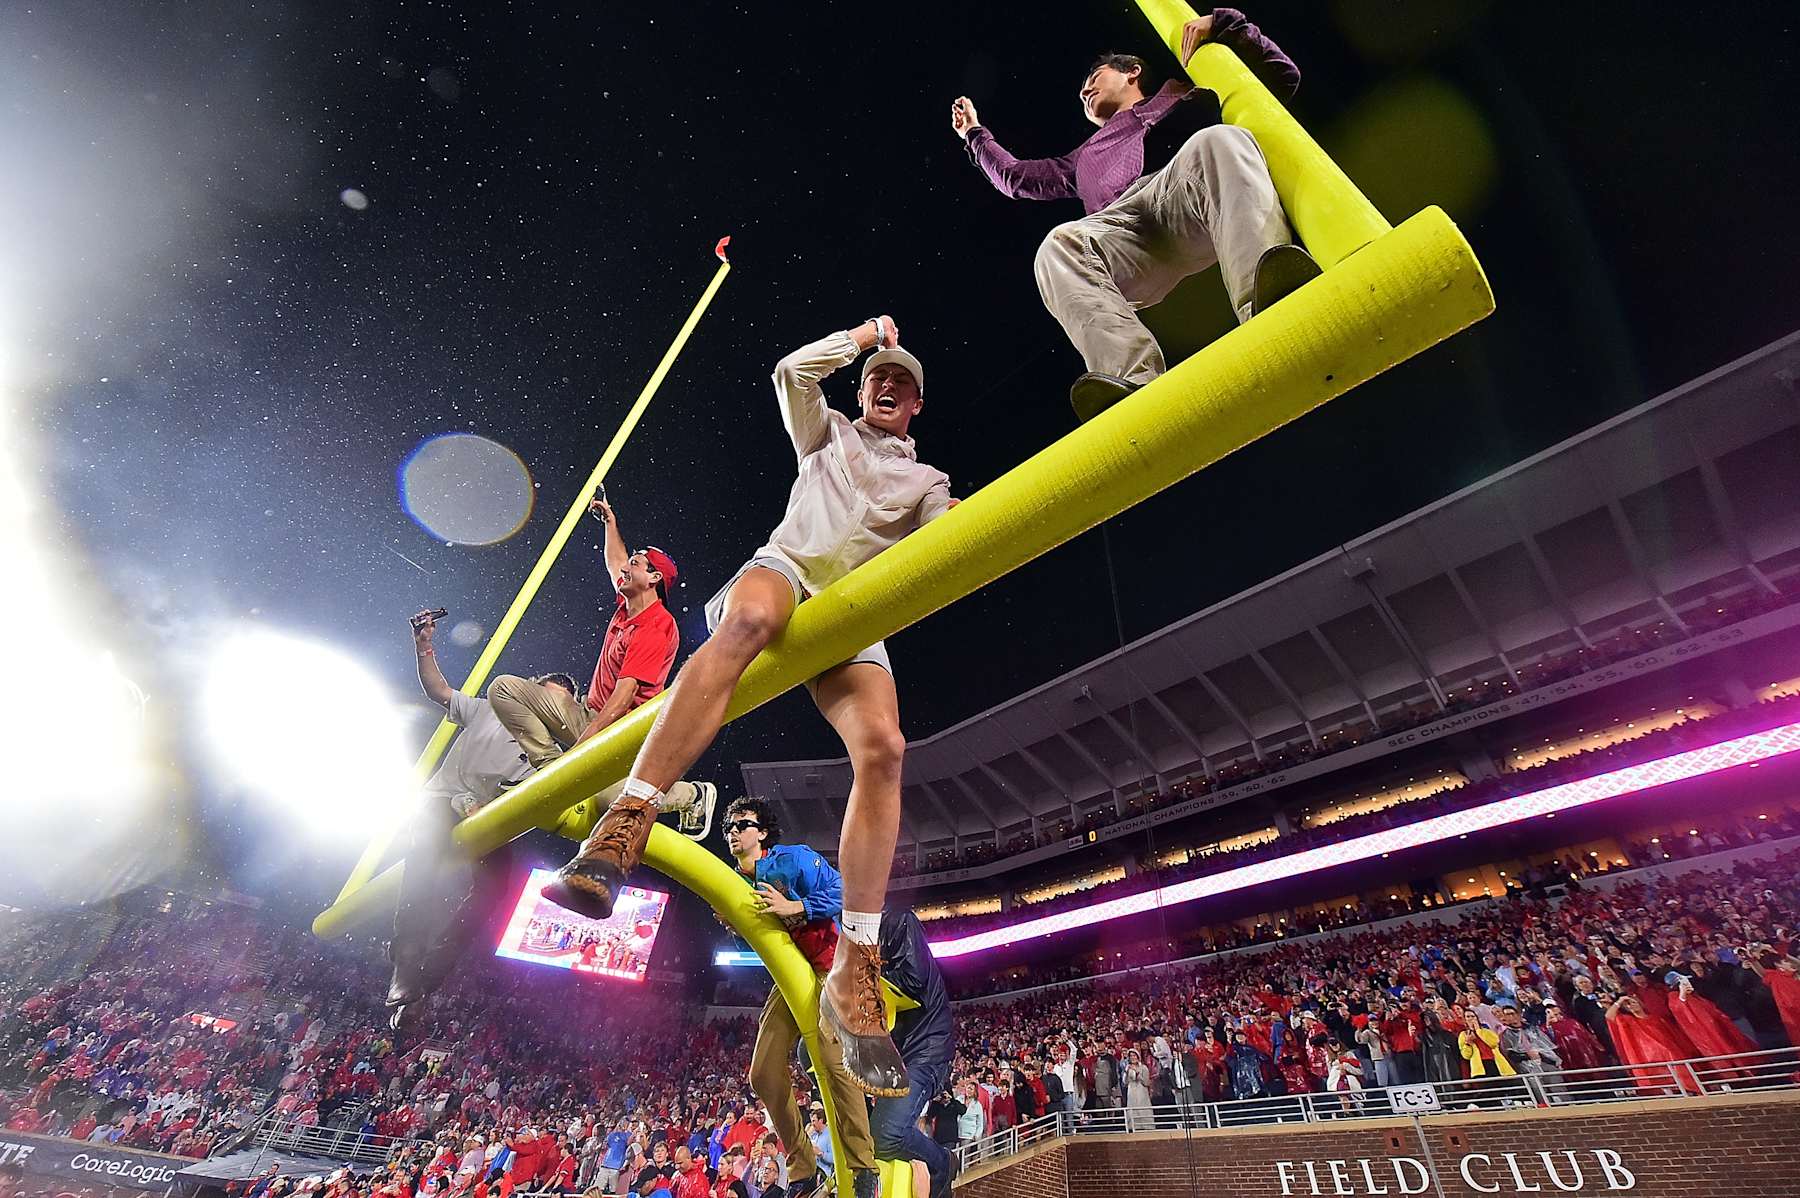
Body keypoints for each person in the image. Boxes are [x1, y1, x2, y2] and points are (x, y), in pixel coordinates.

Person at [545, 315, 953, 1099]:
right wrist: (866, 336)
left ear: (917, 406)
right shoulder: (826, 431)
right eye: (879, 378)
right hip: (786, 573)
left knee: (885, 748)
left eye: (903, 382)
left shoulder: (925, 481)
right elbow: (791, 370)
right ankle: (623, 823)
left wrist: (960, 515)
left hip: (852, 610)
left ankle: (855, 965)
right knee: (753, 618)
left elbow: (948, 537)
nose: (888, 386)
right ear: (864, 391)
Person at [950, 11, 1315, 420]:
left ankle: (1267, 297)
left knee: (1219, 139)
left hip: (1184, 195)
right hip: (1127, 235)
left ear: (1132, 73)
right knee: (1057, 246)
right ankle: (1131, 379)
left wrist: (1225, 25)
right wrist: (976, 136)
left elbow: (1281, 77)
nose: (1084, 89)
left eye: (1095, 76)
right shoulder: (1082, 158)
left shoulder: (1184, 94)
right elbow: (1017, 178)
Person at [489, 495, 717, 838]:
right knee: (503, 688)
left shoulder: (656, 626)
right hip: (590, 711)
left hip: (620, 732)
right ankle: (548, 768)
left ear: (654, 578)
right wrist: (610, 522)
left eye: (636, 564)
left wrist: (578, 755)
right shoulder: (629, 603)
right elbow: (616, 562)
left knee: (608, 797)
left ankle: (692, 794)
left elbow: (622, 700)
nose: (625, 569)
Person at [385, 610, 558, 1025]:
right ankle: (406, 960)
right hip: (443, 803)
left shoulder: (545, 753)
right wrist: (423, 645)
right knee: (422, 860)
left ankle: (429, 976)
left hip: (481, 821)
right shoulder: (487, 711)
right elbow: (439, 689)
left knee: (499, 887)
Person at [721, 797, 876, 1198]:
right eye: (729, 827)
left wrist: (798, 904)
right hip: (789, 975)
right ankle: (803, 1167)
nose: (733, 832)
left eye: (743, 824)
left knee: (830, 1057)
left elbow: (846, 889)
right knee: (763, 1073)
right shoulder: (733, 883)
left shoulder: (795, 858)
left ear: (764, 832)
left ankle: (863, 1169)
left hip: (830, 965)